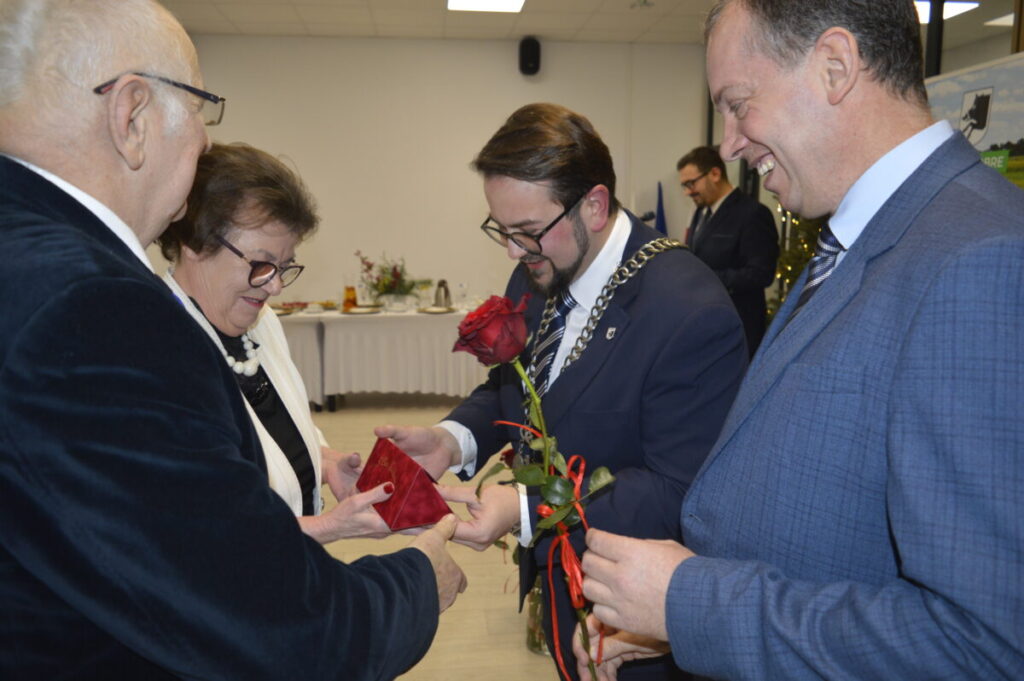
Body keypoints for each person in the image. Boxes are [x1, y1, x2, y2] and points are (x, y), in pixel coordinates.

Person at [0, 1, 465, 678]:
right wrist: (419, 581)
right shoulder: (96, 308)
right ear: (131, 117)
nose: (205, 146)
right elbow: (277, 629)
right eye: (199, 110)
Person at [576, 1, 1024, 679]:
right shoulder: (860, 235)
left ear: (835, 66)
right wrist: (677, 631)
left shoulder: (979, 259)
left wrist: (689, 602)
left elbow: (980, 645)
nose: (727, 142)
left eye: (737, 103)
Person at [376, 103, 748, 681]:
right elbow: (518, 388)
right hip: (557, 588)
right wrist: (451, 440)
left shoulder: (688, 310)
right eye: (501, 229)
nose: (512, 253)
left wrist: (527, 507)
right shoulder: (541, 268)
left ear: (593, 206)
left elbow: (681, 490)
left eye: (526, 232)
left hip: (636, 624)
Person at [158, 142, 393, 543]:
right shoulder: (163, 349)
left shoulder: (261, 323)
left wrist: (324, 460)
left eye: (284, 266)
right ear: (195, 243)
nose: (276, 285)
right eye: (262, 264)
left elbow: (276, 428)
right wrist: (328, 527)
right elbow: (198, 525)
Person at [678, 146, 779, 357]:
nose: (688, 192)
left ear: (715, 174)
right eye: (684, 186)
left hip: (738, 328)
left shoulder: (753, 214)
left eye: (691, 183)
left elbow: (761, 274)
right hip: (706, 324)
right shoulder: (700, 213)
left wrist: (707, 279)